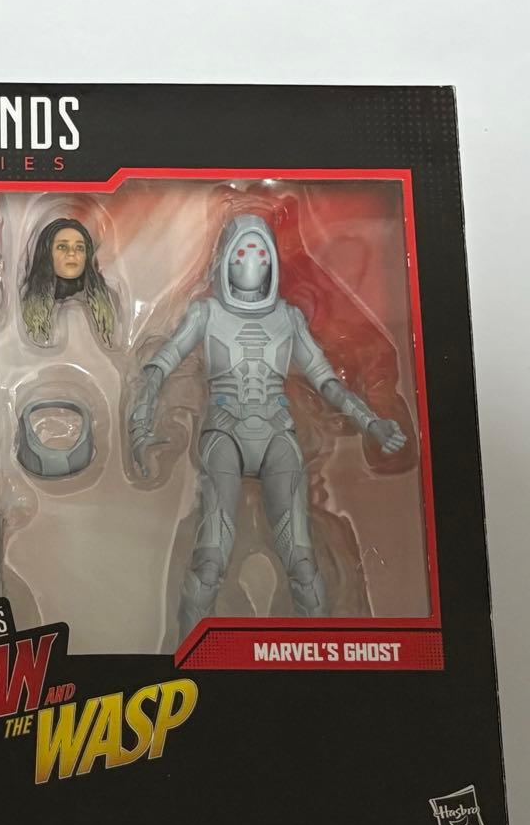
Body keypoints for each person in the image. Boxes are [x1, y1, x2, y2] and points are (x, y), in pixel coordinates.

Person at [128, 213, 406, 635]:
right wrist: (141, 421)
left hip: (278, 435)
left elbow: (328, 383)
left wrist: (372, 424)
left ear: (273, 261)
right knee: (210, 558)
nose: (251, 261)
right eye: (242, 251)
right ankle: (186, 652)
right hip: (224, 434)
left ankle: (319, 653)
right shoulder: (206, 313)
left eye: (260, 252)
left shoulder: (288, 318)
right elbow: (157, 368)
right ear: (225, 260)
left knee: (302, 560)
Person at [20, 217, 116, 347]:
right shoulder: (28, 305)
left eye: (79, 247)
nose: (71, 253)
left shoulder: (105, 304)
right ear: (47, 253)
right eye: (62, 246)